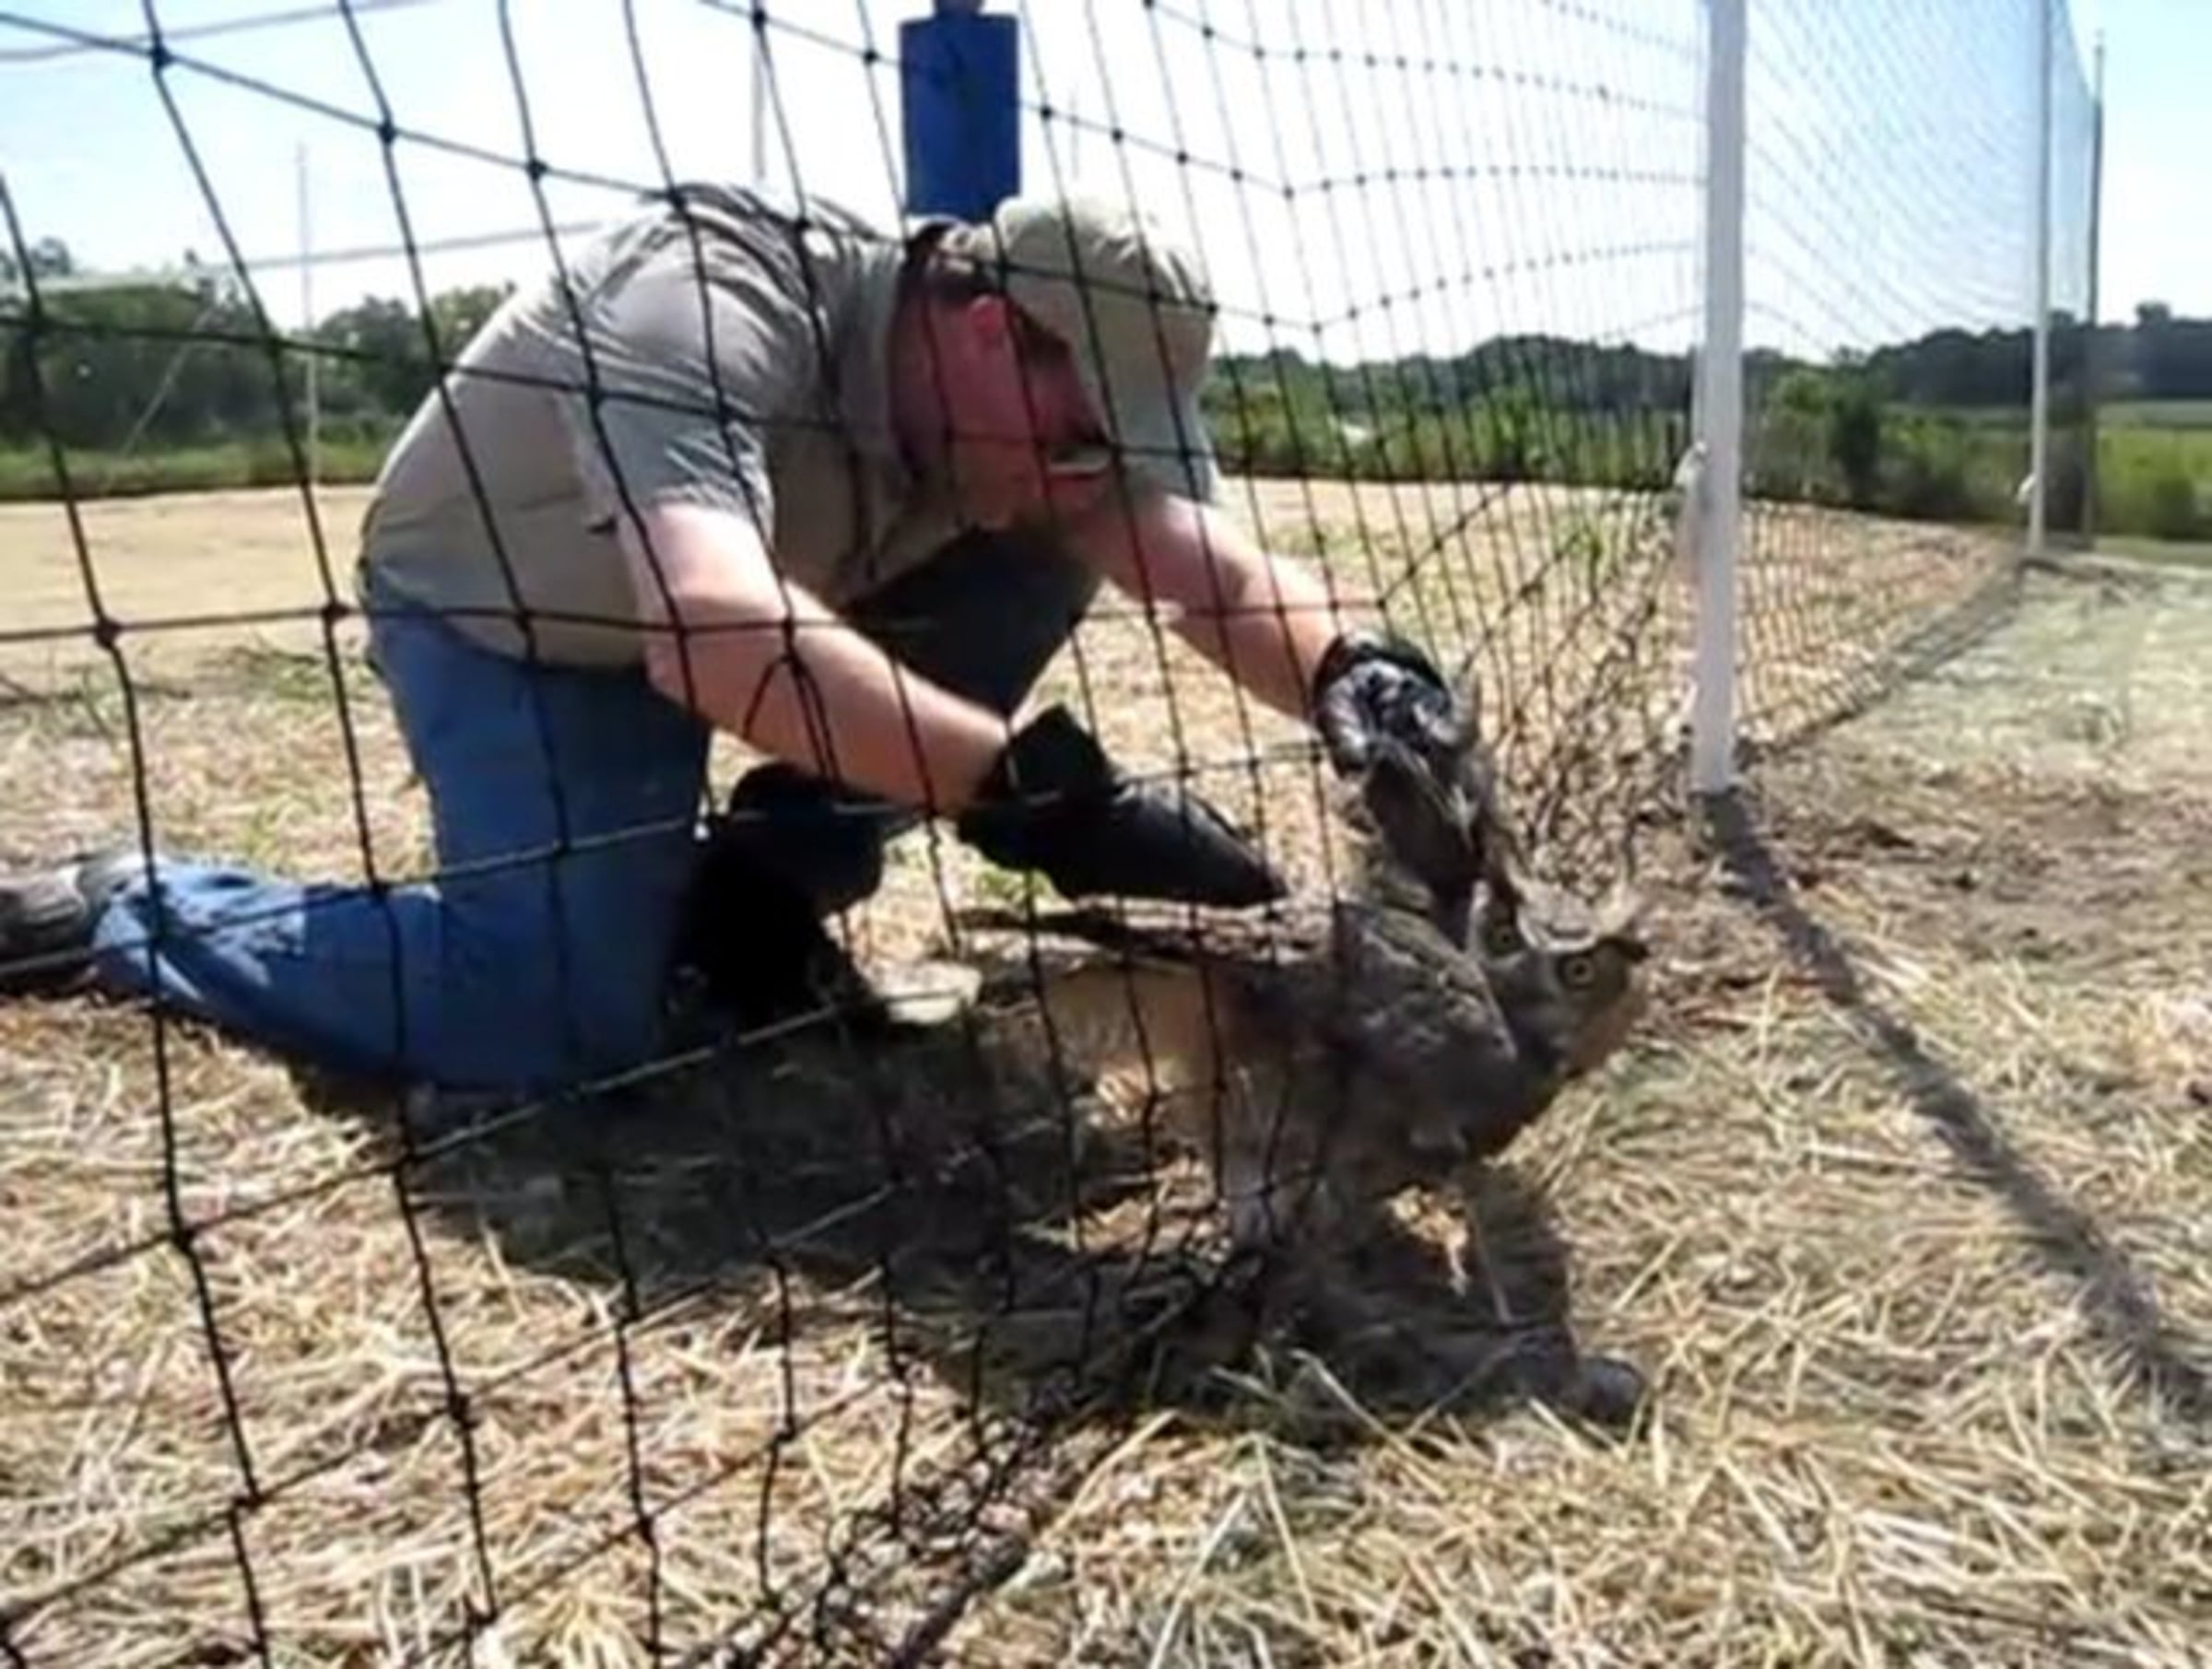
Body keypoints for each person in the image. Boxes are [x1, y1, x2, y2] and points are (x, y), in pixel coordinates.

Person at [0, 183, 1464, 1098]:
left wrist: (1357, 672)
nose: (1092, 473)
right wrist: (1032, 798)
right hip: (520, 619)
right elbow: (710, 631)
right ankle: (135, 905)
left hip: (754, 600)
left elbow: (1192, 560)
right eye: (1083, 434)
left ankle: (755, 905)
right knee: (553, 1021)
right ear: (983, 329)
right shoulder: (707, 299)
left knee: (1044, 546)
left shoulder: (1008, 424)